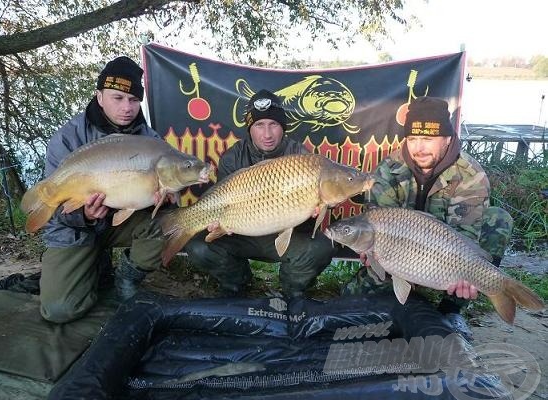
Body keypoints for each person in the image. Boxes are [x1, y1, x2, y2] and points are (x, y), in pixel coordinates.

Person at [344, 96, 513, 335]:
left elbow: (465, 237)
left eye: (428, 139)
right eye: (412, 139)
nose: (419, 148)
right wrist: (369, 251)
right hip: (397, 257)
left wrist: (468, 275)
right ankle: (410, 294)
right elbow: (374, 222)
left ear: (447, 138)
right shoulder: (389, 169)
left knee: (499, 219)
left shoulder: (469, 175)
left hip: (444, 261)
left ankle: (451, 309)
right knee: (348, 302)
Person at [39, 56, 165, 323]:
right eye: (117, 98)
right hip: (75, 228)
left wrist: (164, 199)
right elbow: (54, 210)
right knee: (60, 310)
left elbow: (159, 195)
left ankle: (128, 275)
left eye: (133, 100)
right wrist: (83, 215)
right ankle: (94, 265)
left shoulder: (150, 141)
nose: (127, 108)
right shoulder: (67, 138)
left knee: (168, 219)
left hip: (119, 223)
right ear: (99, 96)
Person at [184, 89, 336, 298]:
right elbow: (222, 203)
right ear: (250, 128)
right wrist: (217, 223)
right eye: (259, 125)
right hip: (242, 232)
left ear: (282, 127)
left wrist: (315, 211)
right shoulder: (232, 158)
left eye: (273, 124)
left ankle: (291, 290)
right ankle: (237, 282)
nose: (267, 134)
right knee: (199, 247)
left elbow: (308, 223)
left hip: (284, 235)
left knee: (321, 248)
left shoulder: (301, 157)